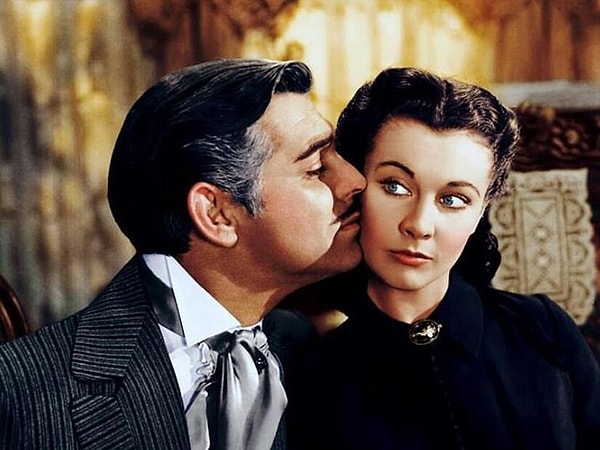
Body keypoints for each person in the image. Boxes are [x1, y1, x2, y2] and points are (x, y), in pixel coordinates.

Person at [0, 58, 366, 450]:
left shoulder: (299, 346)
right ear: (216, 213)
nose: (355, 180)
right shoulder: (19, 393)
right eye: (316, 168)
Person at [287, 67, 600, 449]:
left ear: (481, 212)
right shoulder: (314, 371)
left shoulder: (542, 329)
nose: (419, 225)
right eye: (395, 186)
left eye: (453, 199)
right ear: (357, 187)